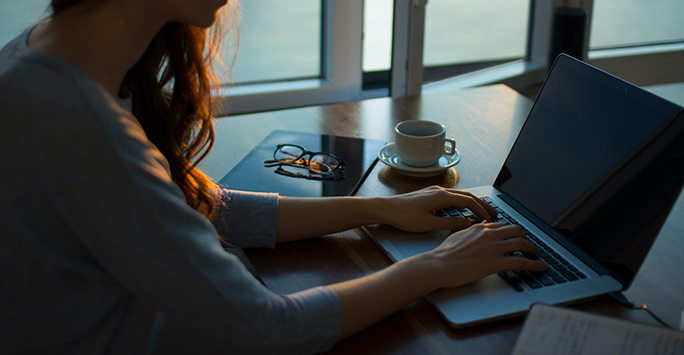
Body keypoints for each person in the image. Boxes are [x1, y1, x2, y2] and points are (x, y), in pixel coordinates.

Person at [0, 0, 547, 353]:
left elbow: (181, 208)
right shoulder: (83, 127)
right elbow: (269, 330)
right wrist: (433, 268)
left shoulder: (39, 57)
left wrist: (377, 209)